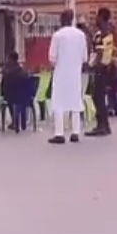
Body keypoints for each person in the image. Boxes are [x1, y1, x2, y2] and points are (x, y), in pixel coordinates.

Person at [47, 9, 88, 145]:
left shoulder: (58, 35)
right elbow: (84, 57)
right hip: (75, 74)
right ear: (72, 19)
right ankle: (75, 132)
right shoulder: (81, 35)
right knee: (75, 101)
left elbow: (52, 58)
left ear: (61, 19)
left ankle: (59, 133)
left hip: (61, 74)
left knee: (59, 102)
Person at [87, 7, 116, 136]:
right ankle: (105, 125)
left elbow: (99, 52)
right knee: (99, 96)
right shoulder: (107, 32)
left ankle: (102, 125)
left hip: (100, 68)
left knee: (97, 96)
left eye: (97, 16)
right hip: (106, 67)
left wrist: (93, 66)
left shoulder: (102, 34)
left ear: (101, 17)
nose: (95, 19)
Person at [0, 51, 28, 131]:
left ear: (10, 59)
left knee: (9, 101)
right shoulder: (22, 70)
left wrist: (2, 94)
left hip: (10, 96)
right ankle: (22, 123)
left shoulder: (7, 71)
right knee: (19, 102)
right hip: (23, 95)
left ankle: (14, 121)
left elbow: (3, 85)